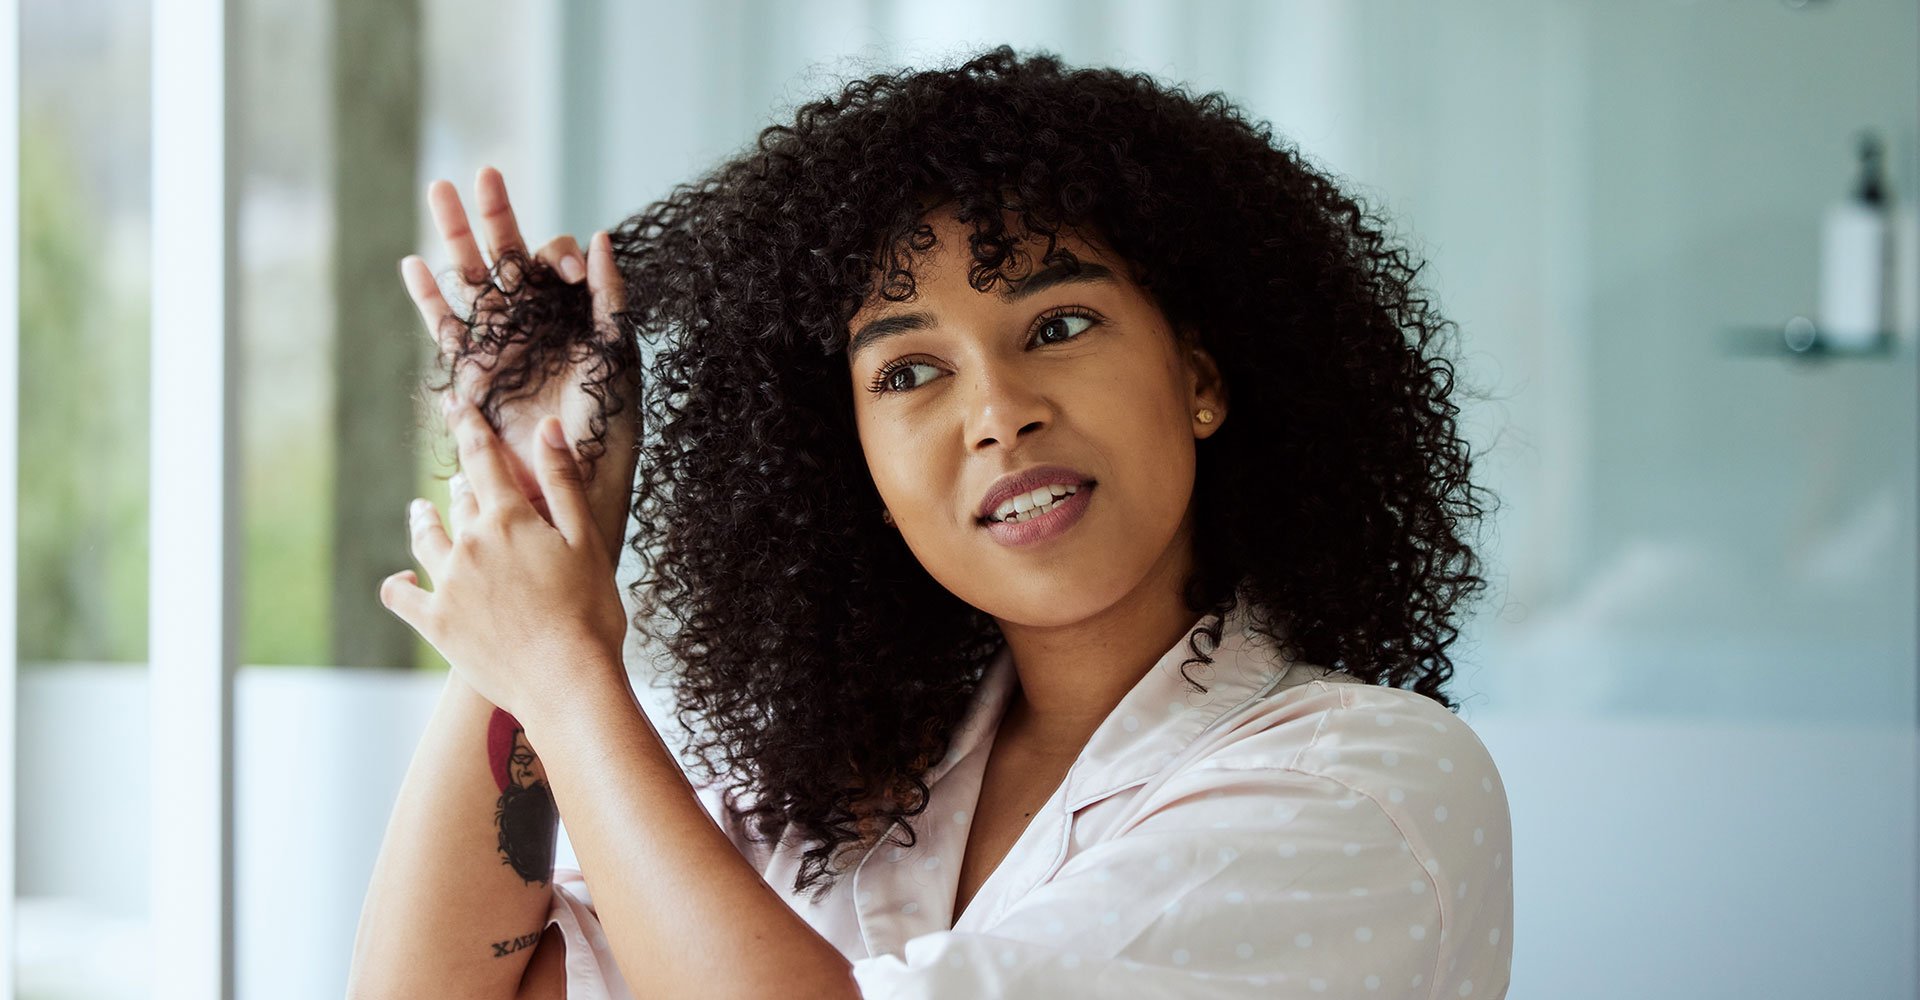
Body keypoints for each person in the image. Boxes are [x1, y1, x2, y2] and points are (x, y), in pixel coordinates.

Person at [347, 45, 1514, 1000]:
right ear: (850, 458)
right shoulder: (840, 803)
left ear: (1201, 376)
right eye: (909, 372)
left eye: (1058, 326)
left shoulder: (1364, 785)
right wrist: (541, 521)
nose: (998, 415)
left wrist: (563, 670)